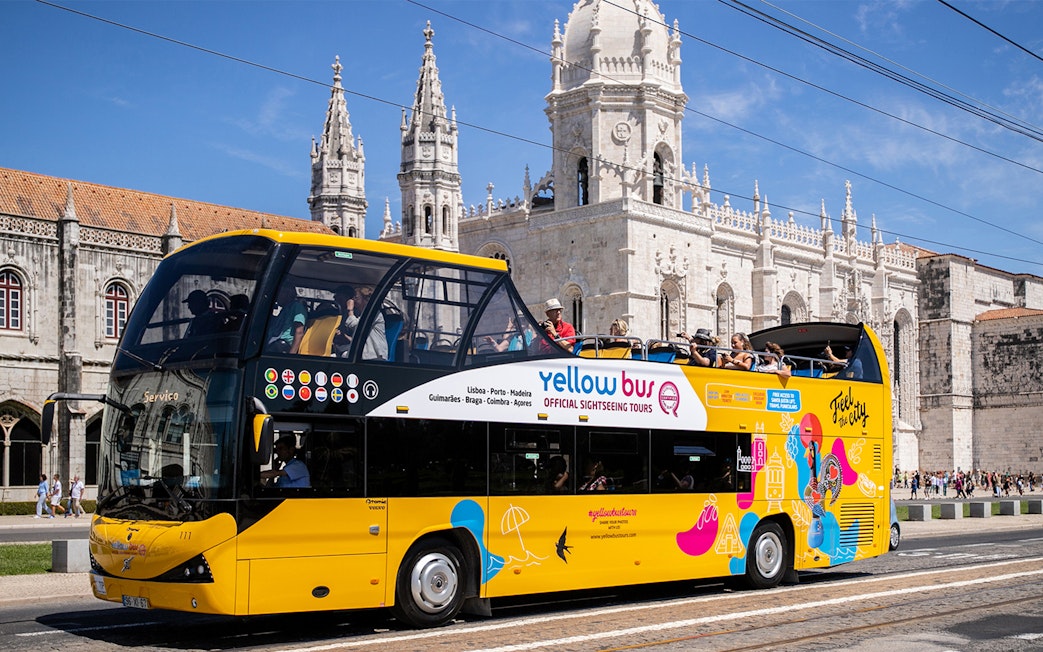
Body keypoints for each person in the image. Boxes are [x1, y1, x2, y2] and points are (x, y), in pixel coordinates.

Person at [333, 285, 388, 360]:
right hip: (363, 354)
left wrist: (350, 310)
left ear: (365, 299)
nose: (353, 300)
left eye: (356, 297)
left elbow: (357, 326)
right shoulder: (362, 315)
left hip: (373, 356)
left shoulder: (374, 314)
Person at [265, 284, 307, 354]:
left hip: (282, 344)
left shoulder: (297, 307)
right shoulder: (285, 308)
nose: (277, 297)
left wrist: (291, 353)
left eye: (280, 293)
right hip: (273, 340)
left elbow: (299, 331)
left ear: (288, 294)